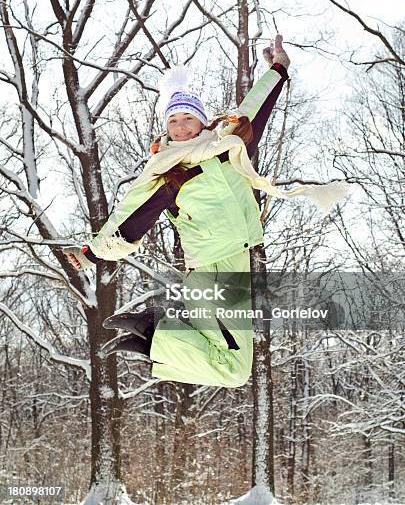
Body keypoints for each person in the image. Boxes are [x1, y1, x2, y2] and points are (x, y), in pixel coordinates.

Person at [65, 36, 348, 388]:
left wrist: (279, 69)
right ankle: (154, 332)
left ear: (201, 121)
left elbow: (255, 109)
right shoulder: (168, 169)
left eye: (188, 118)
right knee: (233, 369)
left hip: (232, 266)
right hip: (214, 271)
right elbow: (132, 218)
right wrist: (93, 252)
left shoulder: (227, 145)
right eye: (173, 121)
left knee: (234, 366)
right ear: (166, 128)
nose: (181, 127)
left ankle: (154, 337)